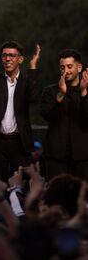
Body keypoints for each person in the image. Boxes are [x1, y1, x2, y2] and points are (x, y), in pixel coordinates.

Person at [0, 41, 41, 182]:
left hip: (19, 142)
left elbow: (33, 98)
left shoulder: (26, 81)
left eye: (12, 55)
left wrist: (33, 67)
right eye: (4, 55)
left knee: (22, 185)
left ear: (20, 59)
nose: (7, 59)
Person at [40, 49, 88, 180]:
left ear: (79, 67)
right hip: (56, 157)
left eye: (69, 66)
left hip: (83, 156)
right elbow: (46, 115)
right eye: (62, 67)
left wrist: (84, 92)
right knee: (56, 196)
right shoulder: (50, 91)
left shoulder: (86, 91)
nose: (66, 71)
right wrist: (60, 95)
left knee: (82, 197)